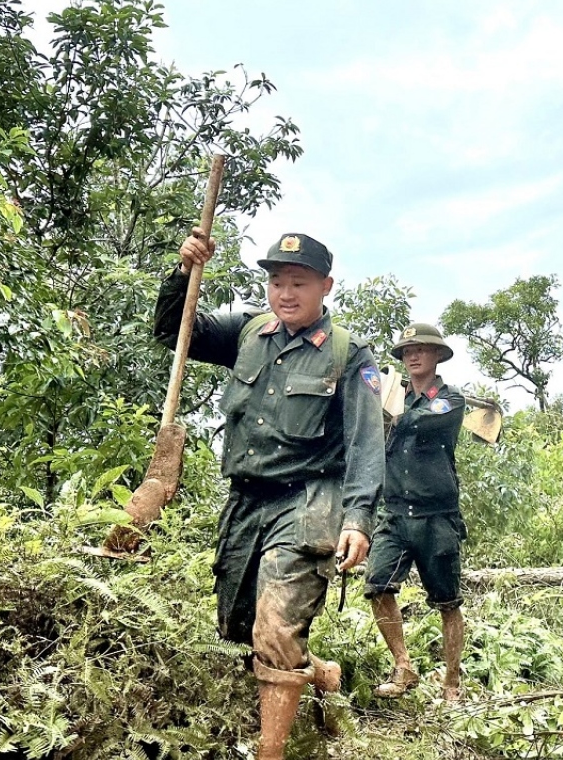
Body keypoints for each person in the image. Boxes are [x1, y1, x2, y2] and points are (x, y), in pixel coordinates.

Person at [154, 227, 385, 760]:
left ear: (325, 286)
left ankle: (270, 751)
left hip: (307, 500)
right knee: (238, 629)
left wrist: (357, 520)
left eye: (298, 282)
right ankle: (317, 672)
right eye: (277, 281)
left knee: (276, 625)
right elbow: (174, 332)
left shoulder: (349, 355)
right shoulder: (248, 331)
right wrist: (184, 271)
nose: (285, 292)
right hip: (245, 500)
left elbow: (366, 443)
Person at [364, 322, 470, 703]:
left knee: (448, 602)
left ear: (437, 354)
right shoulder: (392, 396)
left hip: (437, 517)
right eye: (407, 350)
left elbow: (419, 420)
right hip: (394, 514)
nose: (412, 355)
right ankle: (403, 665)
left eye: (420, 349)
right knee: (377, 584)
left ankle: (452, 682)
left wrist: (387, 408)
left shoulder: (450, 400)